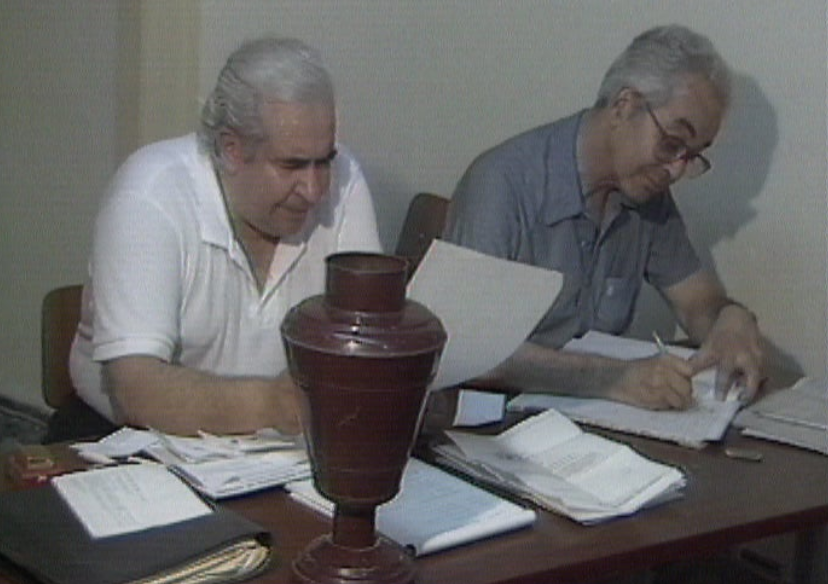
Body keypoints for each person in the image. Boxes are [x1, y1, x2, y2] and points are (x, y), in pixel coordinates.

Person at [47, 37, 381, 442]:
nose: (313, 189)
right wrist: (274, 405)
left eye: (323, 161)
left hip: (279, 454)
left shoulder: (344, 180)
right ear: (232, 149)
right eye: (291, 165)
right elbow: (135, 389)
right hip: (123, 443)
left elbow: (367, 336)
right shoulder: (151, 193)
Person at [442, 25, 765, 411]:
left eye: (693, 155)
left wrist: (730, 320)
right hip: (491, 426)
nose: (676, 170)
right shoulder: (503, 182)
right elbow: (468, 349)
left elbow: (697, 302)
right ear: (624, 105)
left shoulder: (648, 198)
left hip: (588, 431)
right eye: (672, 143)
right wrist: (611, 378)